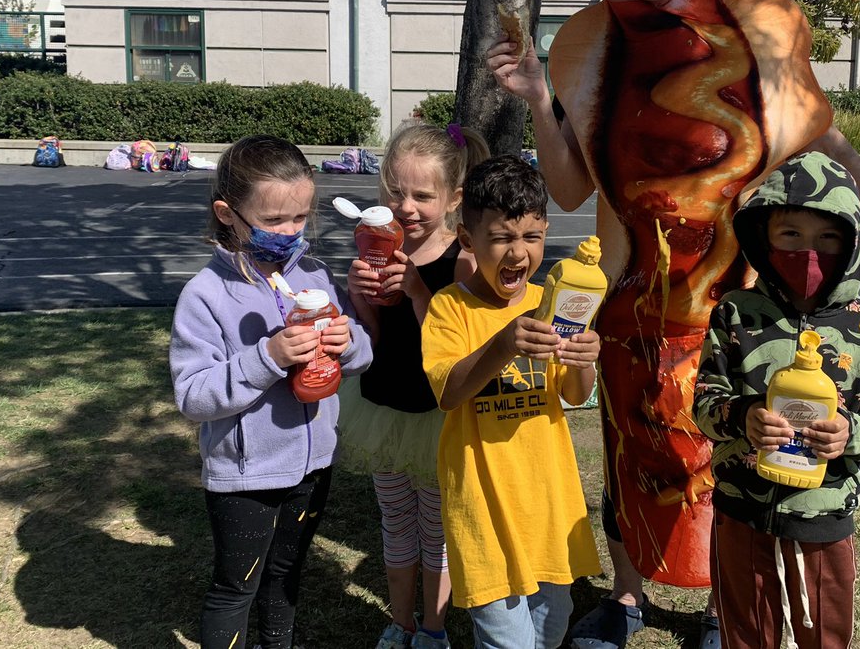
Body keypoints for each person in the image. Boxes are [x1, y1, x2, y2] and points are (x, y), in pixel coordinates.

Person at [486, 0, 860, 649]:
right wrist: (539, 101)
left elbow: (839, 163)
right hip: (632, 304)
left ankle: (724, 609)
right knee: (630, 456)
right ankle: (625, 598)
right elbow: (574, 188)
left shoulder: (758, 35)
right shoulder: (594, 48)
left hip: (736, 310)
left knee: (735, 459)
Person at [169, 135, 373, 649]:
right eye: (273, 220)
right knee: (237, 587)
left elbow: (363, 356)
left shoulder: (315, 276)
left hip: (313, 463)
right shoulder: (206, 295)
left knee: (285, 574)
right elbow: (193, 396)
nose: (289, 232)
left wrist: (348, 343)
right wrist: (268, 358)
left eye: (300, 218)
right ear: (227, 213)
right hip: (246, 476)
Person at [692, 150, 860, 648]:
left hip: (823, 517)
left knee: (823, 633)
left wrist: (852, 431)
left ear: (851, 243)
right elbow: (704, 400)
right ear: (763, 238)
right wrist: (742, 416)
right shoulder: (736, 315)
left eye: (828, 238)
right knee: (745, 630)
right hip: (742, 509)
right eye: (791, 236)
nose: (809, 253)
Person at [420, 155, 602, 649]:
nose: (519, 253)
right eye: (501, 238)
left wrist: (585, 358)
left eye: (532, 237)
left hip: (549, 506)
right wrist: (502, 345)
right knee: (509, 642)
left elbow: (574, 394)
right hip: (483, 509)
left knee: (552, 625)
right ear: (468, 241)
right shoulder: (449, 309)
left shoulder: (553, 302)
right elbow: (449, 392)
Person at [338, 122, 490, 649]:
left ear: (453, 199)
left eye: (423, 195)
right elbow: (373, 343)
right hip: (384, 405)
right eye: (395, 192)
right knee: (397, 524)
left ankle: (433, 629)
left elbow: (457, 348)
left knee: (439, 533)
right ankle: (399, 622)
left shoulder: (465, 260)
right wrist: (361, 300)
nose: (407, 207)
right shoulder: (378, 248)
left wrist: (418, 289)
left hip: (438, 415)